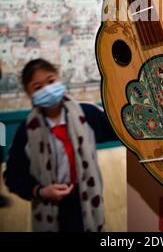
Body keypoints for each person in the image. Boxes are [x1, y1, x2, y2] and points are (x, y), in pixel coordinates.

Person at [4, 58, 117, 232]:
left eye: (51, 81)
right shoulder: (27, 131)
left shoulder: (86, 114)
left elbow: (119, 128)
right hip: (50, 206)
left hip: (86, 198)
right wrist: (40, 191)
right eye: (38, 87)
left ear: (58, 78)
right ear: (29, 94)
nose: (48, 89)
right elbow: (12, 176)